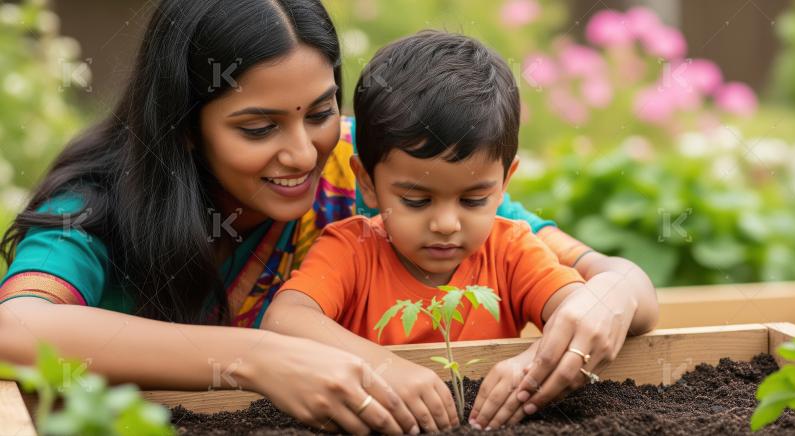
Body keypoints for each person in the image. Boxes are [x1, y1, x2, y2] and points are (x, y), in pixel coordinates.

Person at [0, 0, 657, 433]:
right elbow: (16, 327)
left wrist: (606, 300)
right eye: (258, 127)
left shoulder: (363, 165)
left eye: (317, 111)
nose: (301, 152)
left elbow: (575, 261)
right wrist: (256, 358)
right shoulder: (95, 207)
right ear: (185, 128)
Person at [265, 30, 660, 431]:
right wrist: (379, 366)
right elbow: (283, 320)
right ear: (366, 182)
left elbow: (582, 311)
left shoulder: (512, 250)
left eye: (473, 200)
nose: (446, 224)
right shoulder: (351, 249)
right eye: (416, 201)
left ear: (505, 182)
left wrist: (534, 365)